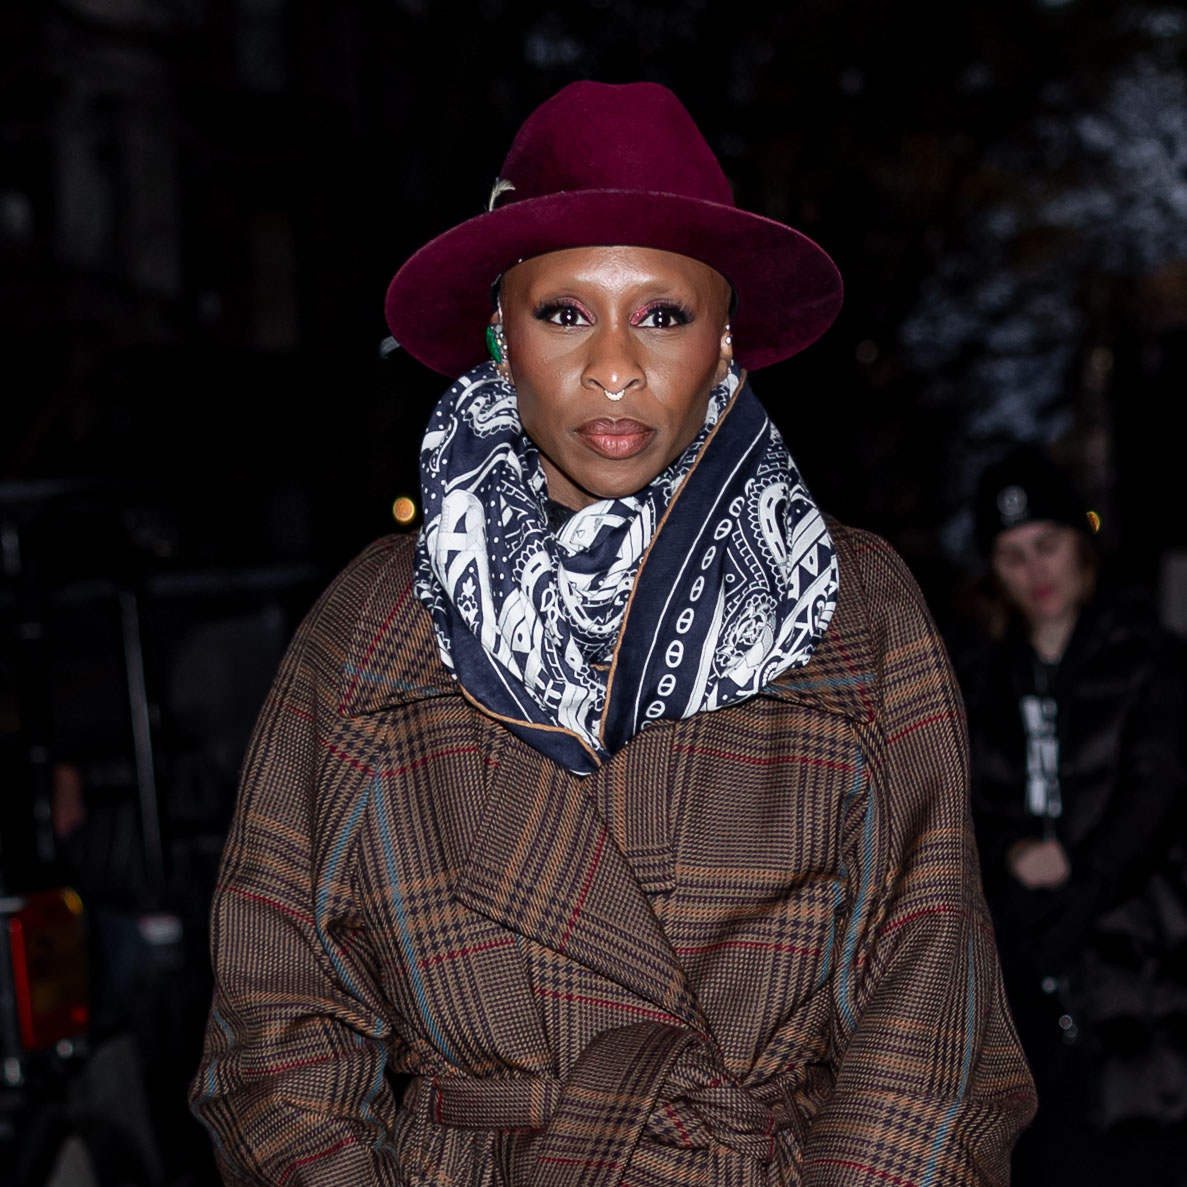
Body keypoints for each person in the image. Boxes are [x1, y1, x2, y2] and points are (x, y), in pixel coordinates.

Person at [189, 81, 1034, 1186]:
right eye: (566, 311)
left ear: (725, 339)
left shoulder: (854, 605)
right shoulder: (372, 623)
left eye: (663, 314)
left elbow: (932, 1011)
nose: (615, 366)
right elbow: (273, 1025)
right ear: (500, 332)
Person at [957, 448, 1187, 1186]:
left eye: (1047, 544)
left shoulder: (1151, 658)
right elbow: (958, 803)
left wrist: (1086, 876)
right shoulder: (978, 679)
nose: (1035, 570)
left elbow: (1157, 788)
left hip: (1144, 974)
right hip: (1023, 975)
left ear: (1080, 543)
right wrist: (1006, 855)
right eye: (1012, 554)